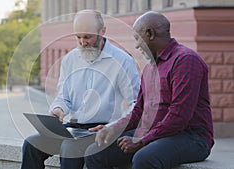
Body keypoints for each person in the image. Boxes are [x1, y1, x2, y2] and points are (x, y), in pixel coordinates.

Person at [85, 11, 214, 169]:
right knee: (94, 152)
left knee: (144, 158)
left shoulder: (185, 61)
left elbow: (179, 117)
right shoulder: (149, 68)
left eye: (138, 38)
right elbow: (138, 111)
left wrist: (142, 140)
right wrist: (114, 128)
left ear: (150, 34)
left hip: (191, 137)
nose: (137, 45)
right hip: (154, 132)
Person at [21, 9, 140, 169]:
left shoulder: (123, 61)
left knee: (69, 148)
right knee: (31, 144)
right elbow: (63, 97)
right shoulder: (69, 60)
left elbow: (136, 103)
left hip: (102, 130)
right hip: (73, 128)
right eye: (78, 37)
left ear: (102, 31)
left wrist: (114, 126)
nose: (82, 42)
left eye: (87, 37)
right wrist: (58, 108)